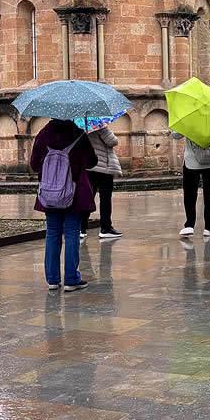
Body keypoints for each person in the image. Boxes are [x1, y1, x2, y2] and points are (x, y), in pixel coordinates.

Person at [30, 118, 98, 292]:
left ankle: (52, 279)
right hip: (74, 193)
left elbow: (34, 164)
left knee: (52, 233)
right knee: (72, 233)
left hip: (50, 192)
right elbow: (91, 161)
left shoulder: (44, 133)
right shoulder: (77, 133)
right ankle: (71, 279)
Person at [173, 132, 210, 236]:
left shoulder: (189, 120)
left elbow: (175, 135)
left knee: (190, 195)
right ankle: (209, 228)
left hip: (192, 162)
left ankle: (189, 225)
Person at [80, 125, 123, 240]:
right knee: (105, 198)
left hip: (88, 167)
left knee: (87, 198)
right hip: (103, 167)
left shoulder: (79, 126)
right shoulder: (98, 125)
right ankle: (106, 228)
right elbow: (112, 141)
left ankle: (81, 228)